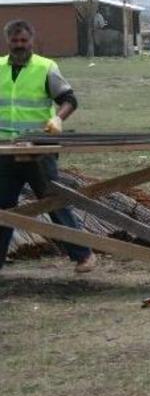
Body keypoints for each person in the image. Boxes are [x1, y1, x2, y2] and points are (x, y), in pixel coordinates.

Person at [0, 19, 97, 273]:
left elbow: (69, 100)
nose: (19, 45)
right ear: (7, 41)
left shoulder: (45, 67)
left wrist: (57, 118)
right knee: (3, 207)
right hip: (5, 150)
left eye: (24, 41)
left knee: (53, 201)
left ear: (31, 41)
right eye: (15, 41)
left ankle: (83, 255)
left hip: (39, 147)